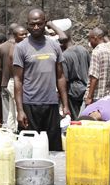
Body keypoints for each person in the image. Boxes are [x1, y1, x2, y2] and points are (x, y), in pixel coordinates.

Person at [13, 9, 70, 151]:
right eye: (32, 24)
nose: (36, 27)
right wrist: (20, 110)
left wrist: (65, 105)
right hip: (30, 104)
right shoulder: (21, 48)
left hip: (51, 104)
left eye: (39, 24)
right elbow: (18, 80)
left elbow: (61, 76)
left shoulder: (54, 46)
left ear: (45, 23)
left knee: (53, 149)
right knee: (29, 148)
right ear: (27, 25)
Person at [58, 30, 90, 118]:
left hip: (73, 92)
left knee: (76, 119)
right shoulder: (83, 49)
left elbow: (65, 79)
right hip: (86, 89)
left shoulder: (64, 56)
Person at [84, 28, 110, 107]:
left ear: (95, 38)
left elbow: (94, 76)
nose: (90, 43)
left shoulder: (96, 52)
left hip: (96, 98)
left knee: (84, 118)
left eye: (90, 40)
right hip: (108, 97)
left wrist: (89, 97)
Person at [6, 25, 29, 132]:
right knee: (18, 109)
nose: (25, 36)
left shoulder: (16, 47)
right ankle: (18, 131)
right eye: (22, 34)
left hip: (13, 82)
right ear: (15, 36)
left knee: (12, 110)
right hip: (16, 82)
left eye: (26, 34)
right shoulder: (16, 49)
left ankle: (11, 130)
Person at [0, 23, 18, 130]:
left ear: (9, 32)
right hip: (19, 83)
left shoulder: (1, 47)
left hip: (5, 82)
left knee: (7, 110)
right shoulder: (21, 46)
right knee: (17, 109)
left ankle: (7, 129)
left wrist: (1, 80)